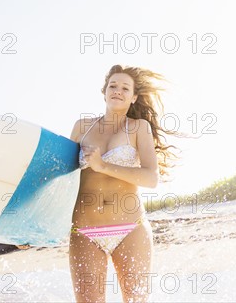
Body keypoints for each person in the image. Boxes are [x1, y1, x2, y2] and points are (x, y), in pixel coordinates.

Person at [68, 64, 179, 302]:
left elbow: (151, 178)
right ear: (104, 91)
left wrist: (104, 166)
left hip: (130, 228)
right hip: (84, 231)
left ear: (134, 96)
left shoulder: (139, 128)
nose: (117, 90)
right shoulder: (81, 128)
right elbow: (63, 181)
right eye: (113, 85)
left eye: (125, 88)